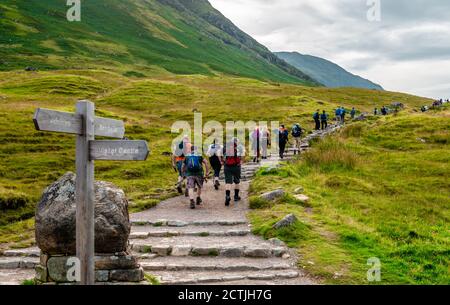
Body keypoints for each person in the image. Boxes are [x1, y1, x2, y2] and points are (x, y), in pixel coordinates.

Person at [222, 138, 244, 206]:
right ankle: (236, 196)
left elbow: (219, 154)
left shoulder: (226, 147)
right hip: (236, 166)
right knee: (237, 181)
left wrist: (222, 161)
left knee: (228, 182)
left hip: (227, 166)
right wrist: (241, 162)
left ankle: (227, 196)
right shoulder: (240, 147)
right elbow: (242, 155)